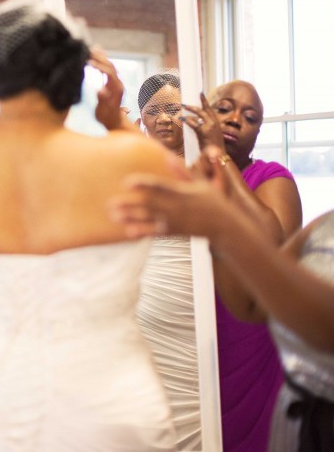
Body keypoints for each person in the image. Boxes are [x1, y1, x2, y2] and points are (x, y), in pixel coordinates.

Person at [0, 0, 178, 451]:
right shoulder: (131, 159)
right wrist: (115, 119)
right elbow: (180, 196)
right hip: (103, 408)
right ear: (78, 77)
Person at [109, 133, 334, 451]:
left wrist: (226, 226)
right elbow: (250, 304)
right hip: (305, 422)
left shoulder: (275, 179)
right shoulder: (331, 226)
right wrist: (217, 237)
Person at [180, 81, 302, 451]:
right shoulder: (181, 179)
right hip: (190, 334)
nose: (235, 120)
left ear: (257, 132)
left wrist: (219, 156)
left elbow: (272, 244)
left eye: (249, 118)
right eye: (224, 109)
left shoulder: (271, 177)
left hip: (251, 335)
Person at [133, 72, 201, 450]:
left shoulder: (207, 167)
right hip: (143, 304)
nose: (164, 119)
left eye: (173, 109)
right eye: (153, 111)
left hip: (198, 303)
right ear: (140, 118)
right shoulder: (129, 168)